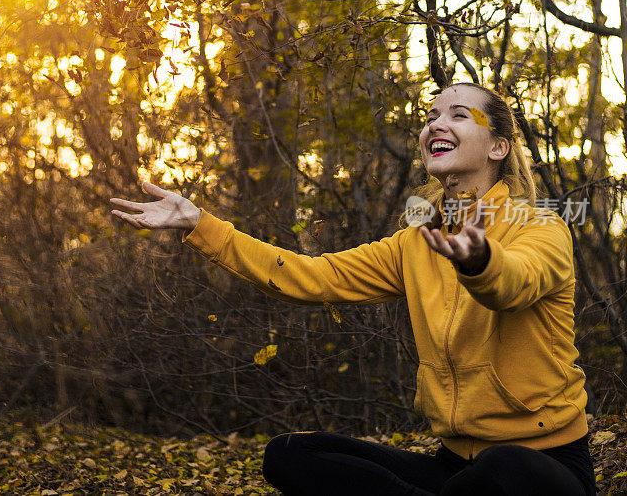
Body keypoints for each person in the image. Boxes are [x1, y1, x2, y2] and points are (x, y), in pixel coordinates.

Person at [109, 83, 596, 496]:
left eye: (458, 115)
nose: (435, 124)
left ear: (497, 147)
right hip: (456, 468)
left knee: (501, 470)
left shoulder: (542, 227)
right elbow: (313, 276)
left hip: (543, 467)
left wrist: (480, 262)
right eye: (430, 116)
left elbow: (516, 282)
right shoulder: (416, 243)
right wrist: (200, 222)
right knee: (290, 455)